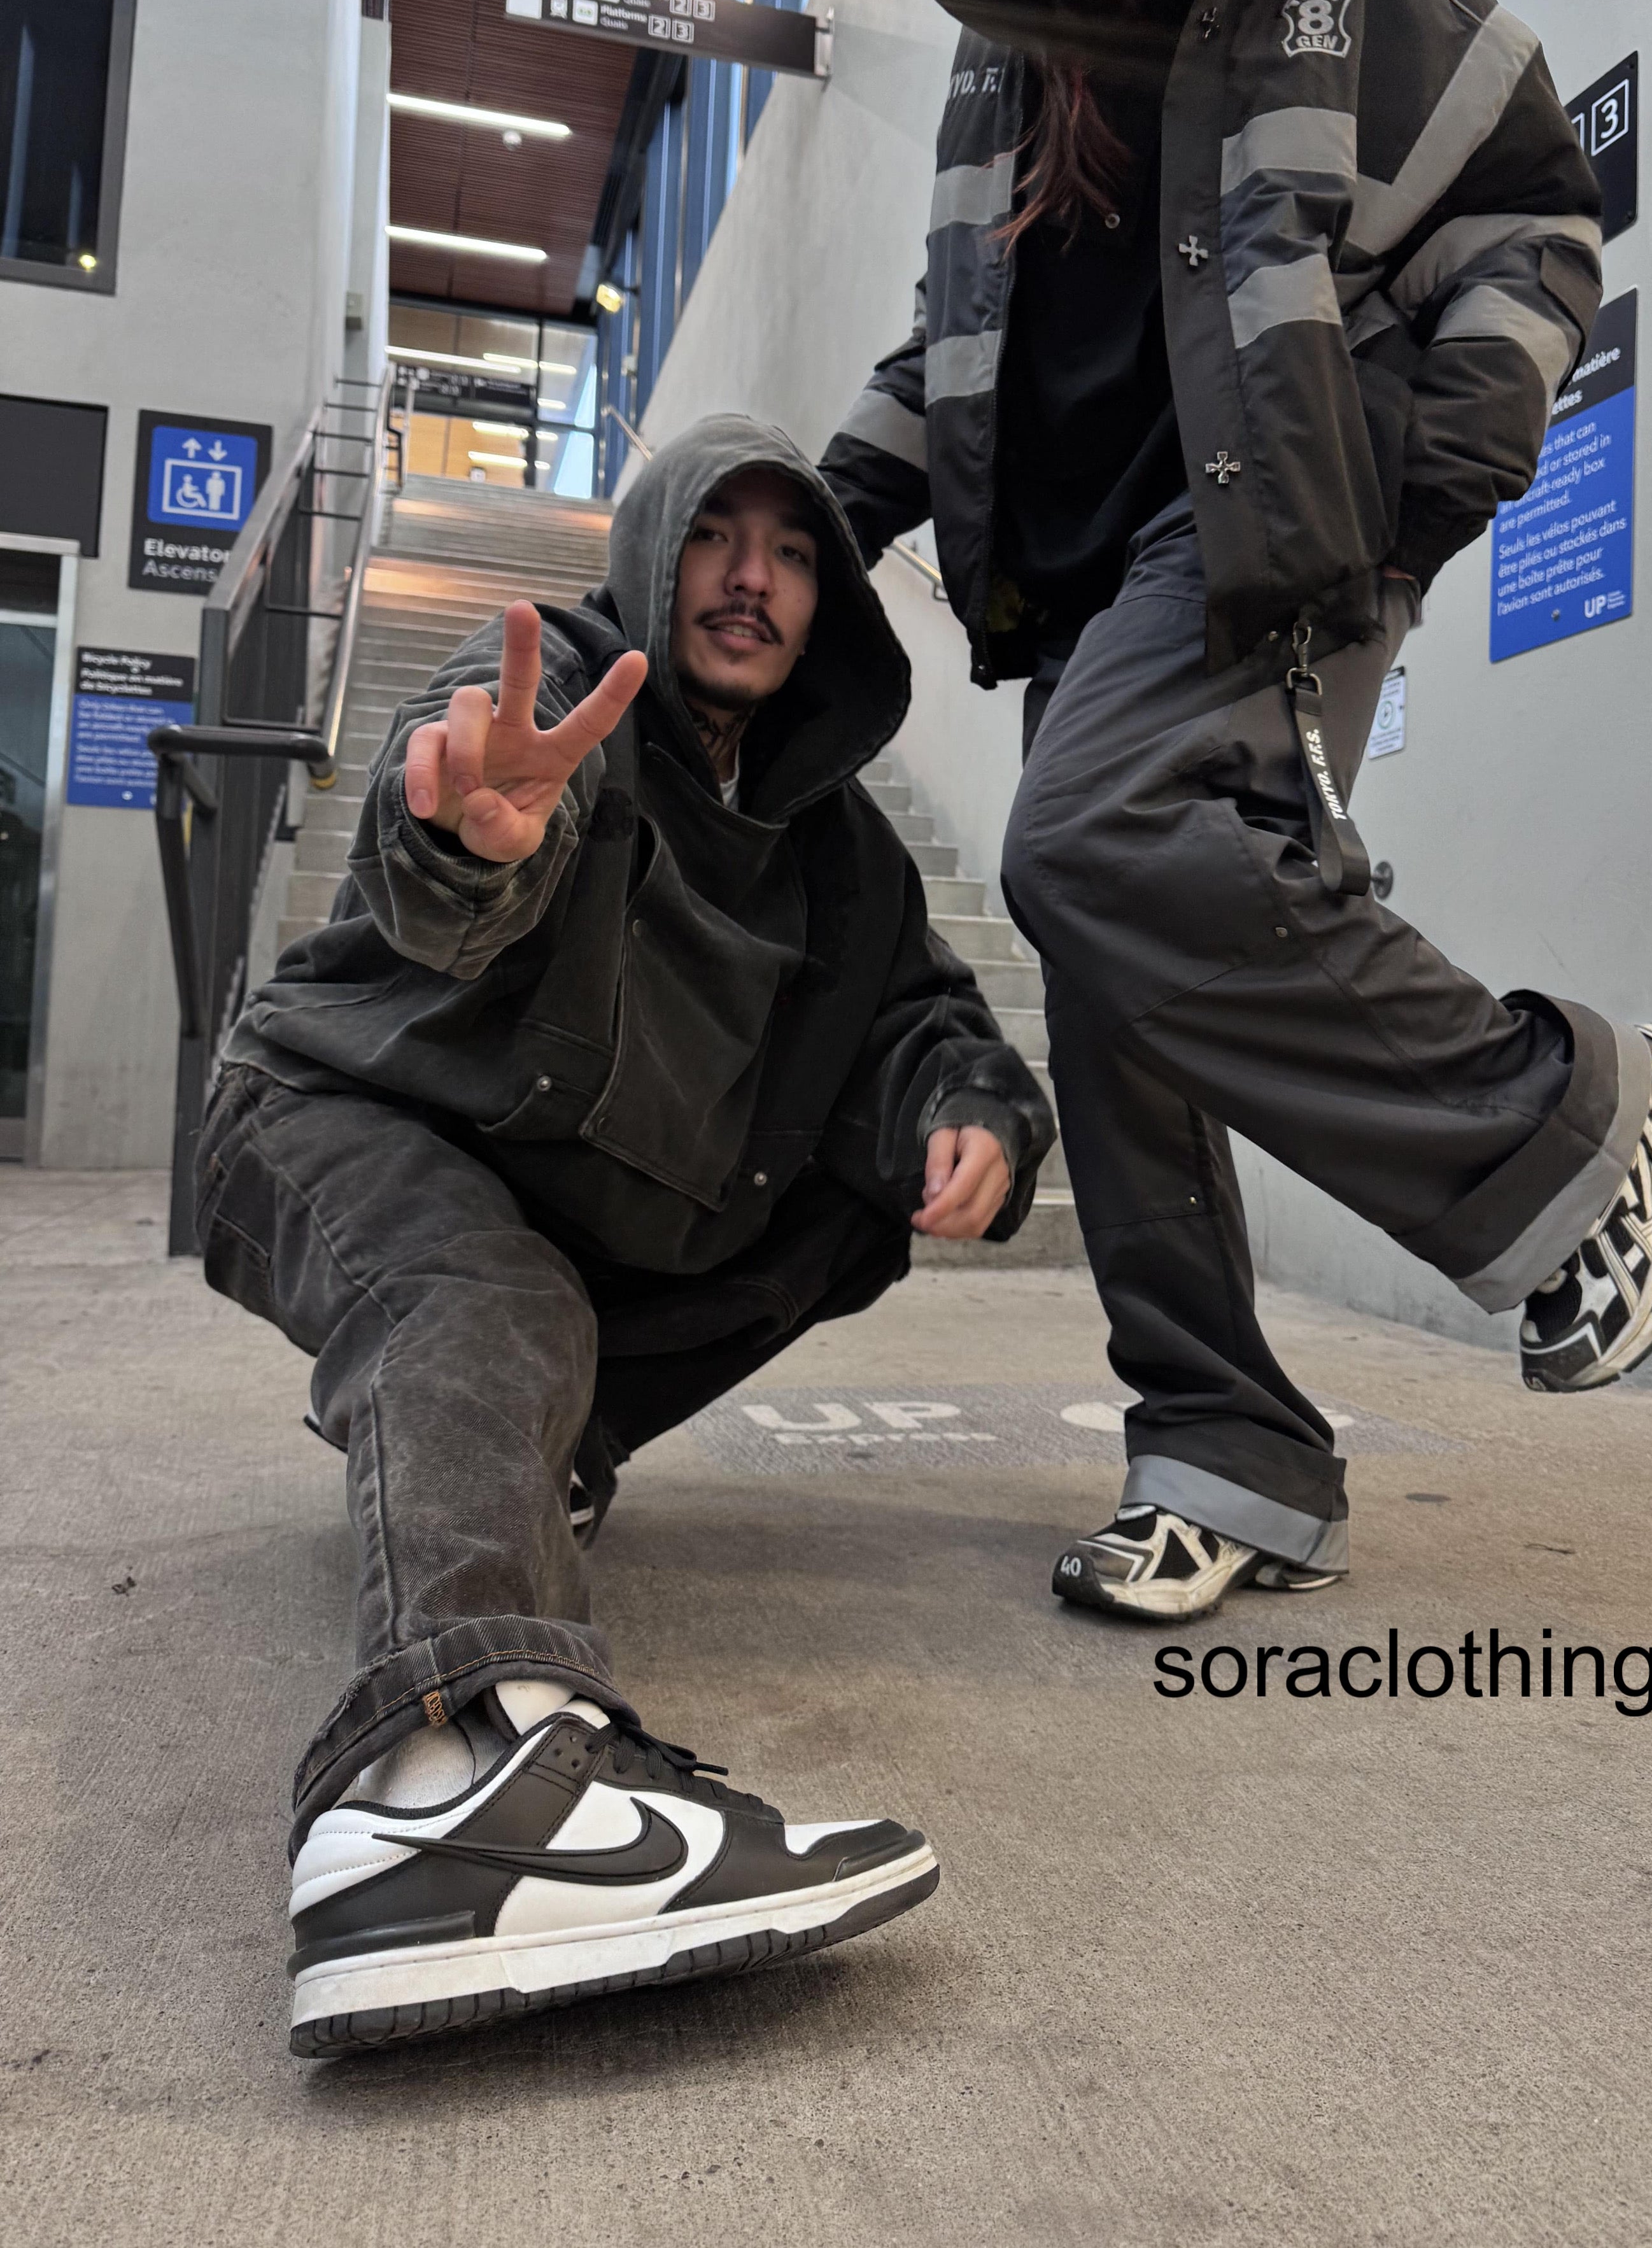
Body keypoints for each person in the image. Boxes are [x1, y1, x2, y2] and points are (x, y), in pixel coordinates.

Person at [819, 0, 1652, 1623]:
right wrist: (830, 516)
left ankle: (1553, 1111)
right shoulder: (1004, 60)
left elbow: (1535, 221)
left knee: (1077, 841)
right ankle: (1223, 1450)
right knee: (1112, 965)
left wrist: (1441, 462)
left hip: (1282, 524)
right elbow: (952, 346)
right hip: (1079, 581)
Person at [197, 415, 1054, 2056]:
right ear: (657, 551)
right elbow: (448, 816)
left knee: (844, 1210)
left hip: (556, 1192)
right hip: (334, 1112)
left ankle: (549, 1450)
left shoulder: (839, 852)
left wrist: (976, 1107)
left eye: (792, 552)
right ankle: (454, 1778)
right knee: (482, 1295)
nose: (751, 578)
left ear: (827, 603)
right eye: (717, 535)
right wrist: (465, 840)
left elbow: (929, 1013)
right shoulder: (560, 696)